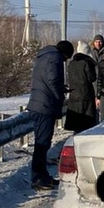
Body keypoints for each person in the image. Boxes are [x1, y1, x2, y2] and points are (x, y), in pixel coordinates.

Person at [27, 40, 71, 190]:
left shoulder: (43, 56)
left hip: (38, 102)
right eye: (66, 58)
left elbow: (46, 80)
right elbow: (53, 79)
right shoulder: (55, 57)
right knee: (42, 143)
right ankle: (38, 178)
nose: (64, 61)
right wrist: (59, 94)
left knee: (42, 143)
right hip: (45, 105)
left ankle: (41, 175)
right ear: (65, 54)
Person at [63, 45, 98, 133]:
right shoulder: (87, 63)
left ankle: (76, 135)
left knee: (76, 120)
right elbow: (92, 78)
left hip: (73, 94)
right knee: (86, 121)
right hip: (86, 94)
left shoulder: (71, 63)